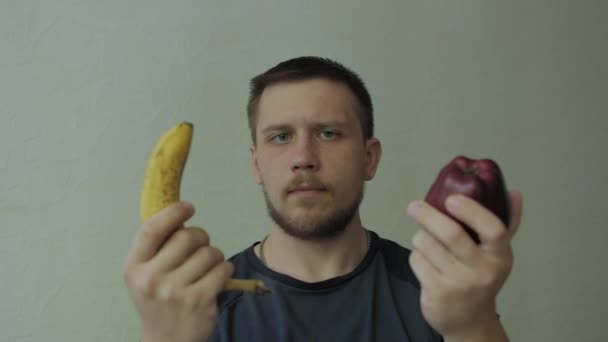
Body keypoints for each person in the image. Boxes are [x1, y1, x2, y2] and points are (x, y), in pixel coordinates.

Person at [122, 56, 524, 342]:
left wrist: (473, 326)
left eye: (329, 133)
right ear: (256, 164)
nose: (303, 158)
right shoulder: (196, 304)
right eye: (281, 137)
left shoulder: (439, 291)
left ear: (369, 158)